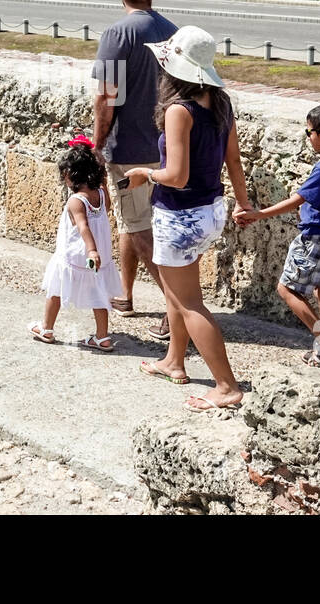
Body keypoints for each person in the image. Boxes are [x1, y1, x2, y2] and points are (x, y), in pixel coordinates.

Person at [125, 26, 253, 411]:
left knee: (188, 302)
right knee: (177, 291)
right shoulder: (221, 103)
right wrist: (243, 203)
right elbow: (233, 160)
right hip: (209, 210)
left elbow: (176, 176)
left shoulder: (179, 111)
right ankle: (174, 361)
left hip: (179, 216)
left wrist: (144, 173)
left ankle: (226, 386)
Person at [236, 102, 320, 370]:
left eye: (309, 133)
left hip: (313, 238)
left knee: (287, 288)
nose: (308, 138)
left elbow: (297, 200)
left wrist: (259, 214)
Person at [91, 0, 178, 340]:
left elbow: (107, 97)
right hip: (167, 146)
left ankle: (176, 308)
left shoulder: (117, 33)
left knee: (140, 228)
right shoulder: (173, 32)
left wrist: (97, 143)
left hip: (129, 148)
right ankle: (125, 295)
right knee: (137, 221)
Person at [28, 136, 121, 351]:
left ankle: (47, 328)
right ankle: (102, 337)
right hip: (98, 257)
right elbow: (102, 213)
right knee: (99, 292)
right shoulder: (100, 193)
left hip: (76, 255)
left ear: (70, 175)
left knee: (57, 286)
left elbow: (82, 227)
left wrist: (90, 249)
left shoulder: (75, 201)